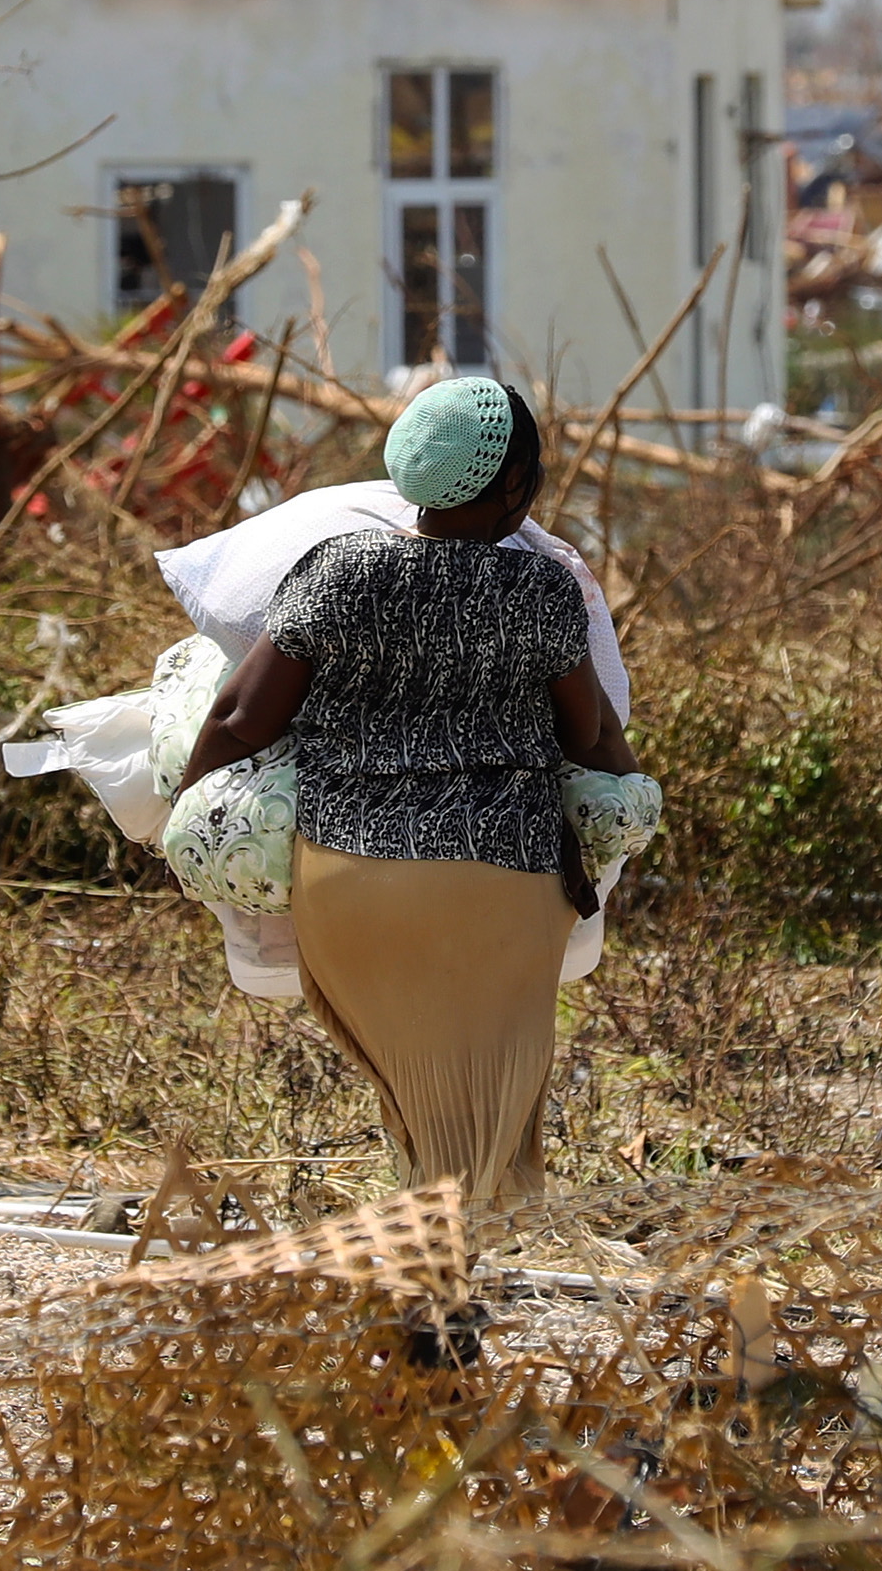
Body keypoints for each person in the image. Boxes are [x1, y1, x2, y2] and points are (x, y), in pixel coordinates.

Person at [173, 377, 637, 1201]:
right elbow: (587, 737)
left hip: (350, 879)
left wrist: (189, 809)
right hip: (505, 878)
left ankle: (429, 1233)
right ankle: (475, 1236)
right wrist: (631, 800)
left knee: (409, 1078)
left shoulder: (340, 570)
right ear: (517, 486)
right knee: (491, 1090)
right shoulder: (540, 590)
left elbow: (243, 717)